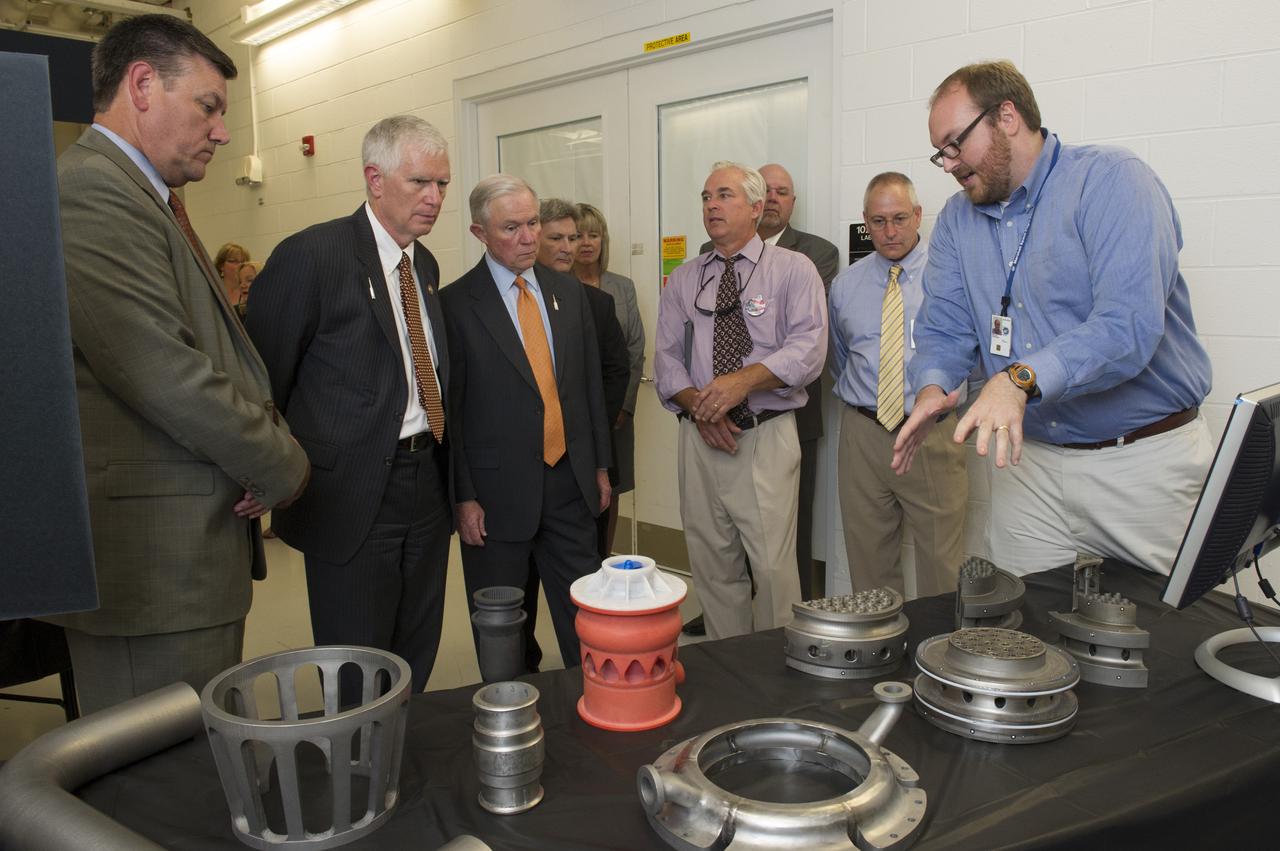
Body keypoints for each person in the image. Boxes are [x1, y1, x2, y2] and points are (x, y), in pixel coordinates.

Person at [43, 14, 309, 713]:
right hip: (154, 568)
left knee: (189, 773)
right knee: (154, 789)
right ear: (141, 85)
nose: (222, 130)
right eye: (209, 106)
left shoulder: (146, 199)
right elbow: (164, 372)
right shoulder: (92, 191)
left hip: (188, 554)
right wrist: (282, 462)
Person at [893, 60, 1213, 576]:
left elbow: (1127, 326)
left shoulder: (1111, 181)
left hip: (1143, 464)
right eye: (941, 153)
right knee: (1024, 640)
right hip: (1029, 465)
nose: (948, 164)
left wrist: (1020, 380)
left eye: (955, 143)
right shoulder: (956, 220)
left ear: (1007, 116)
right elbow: (944, 329)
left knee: (1164, 640)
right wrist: (933, 388)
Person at [245, 116, 453, 693]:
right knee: (358, 659)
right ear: (375, 179)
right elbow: (262, 379)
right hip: (350, 491)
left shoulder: (424, 266)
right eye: (420, 183)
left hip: (426, 481)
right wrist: (264, 470)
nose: (435, 199)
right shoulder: (313, 256)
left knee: (417, 641)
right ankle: (358, 771)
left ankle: (401, 759)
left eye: (443, 184)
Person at [442, 175, 612, 670]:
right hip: (495, 498)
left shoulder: (567, 293)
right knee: (503, 633)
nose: (529, 237)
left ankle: (595, 711)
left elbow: (586, 388)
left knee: (587, 621)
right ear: (479, 233)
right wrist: (463, 495)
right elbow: (450, 410)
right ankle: (511, 721)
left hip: (570, 484)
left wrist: (601, 466)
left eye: (533, 222)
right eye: (511, 227)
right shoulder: (455, 304)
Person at [654, 161, 826, 640]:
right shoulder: (685, 278)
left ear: (756, 207)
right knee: (712, 565)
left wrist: (741, 383)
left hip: (764, 437)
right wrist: (700, 407)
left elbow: (809, 349)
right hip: (701, 438)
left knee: (772, 569)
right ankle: (727, 668)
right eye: (706, 196)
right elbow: (666, 358)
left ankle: (777, 675)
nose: (711, 205)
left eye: (724, 195)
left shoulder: (794, 270)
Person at [829, 173, 967, 597]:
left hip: (931, 432)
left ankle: (938, 657)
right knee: (867, 559)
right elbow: (840, 357)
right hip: (864, 435)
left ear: (919, 215)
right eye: (878, 221)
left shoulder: (950, 279)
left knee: (942, 563)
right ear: (865, 222)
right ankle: (878, 654)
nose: (890, 232)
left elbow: (971, 356)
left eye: (900, 218)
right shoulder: (845, 285)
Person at [538, 199, 630, 557]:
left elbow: (617, 371)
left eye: (573, 238)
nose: (568, 247)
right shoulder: (506, 301)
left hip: (585, 450)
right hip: (529, 459)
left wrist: (589, 429)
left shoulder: (597, 303)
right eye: (556, 238)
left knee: (588, 554)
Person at [574, 202, 646, 555]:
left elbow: (635, 348)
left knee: (611, 487)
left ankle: (604, 554)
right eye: (578, 235)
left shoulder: (622, 287)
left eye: (594, 234)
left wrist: (623, 406)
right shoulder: (556, 286)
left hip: (616, 412)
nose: (587, 243)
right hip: (574, 409)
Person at [215, 242, 249, 308]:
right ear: (221, 265)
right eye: (233, 261)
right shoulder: (213, 290)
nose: (240, 265)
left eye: (243, 262)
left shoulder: (250, 291)